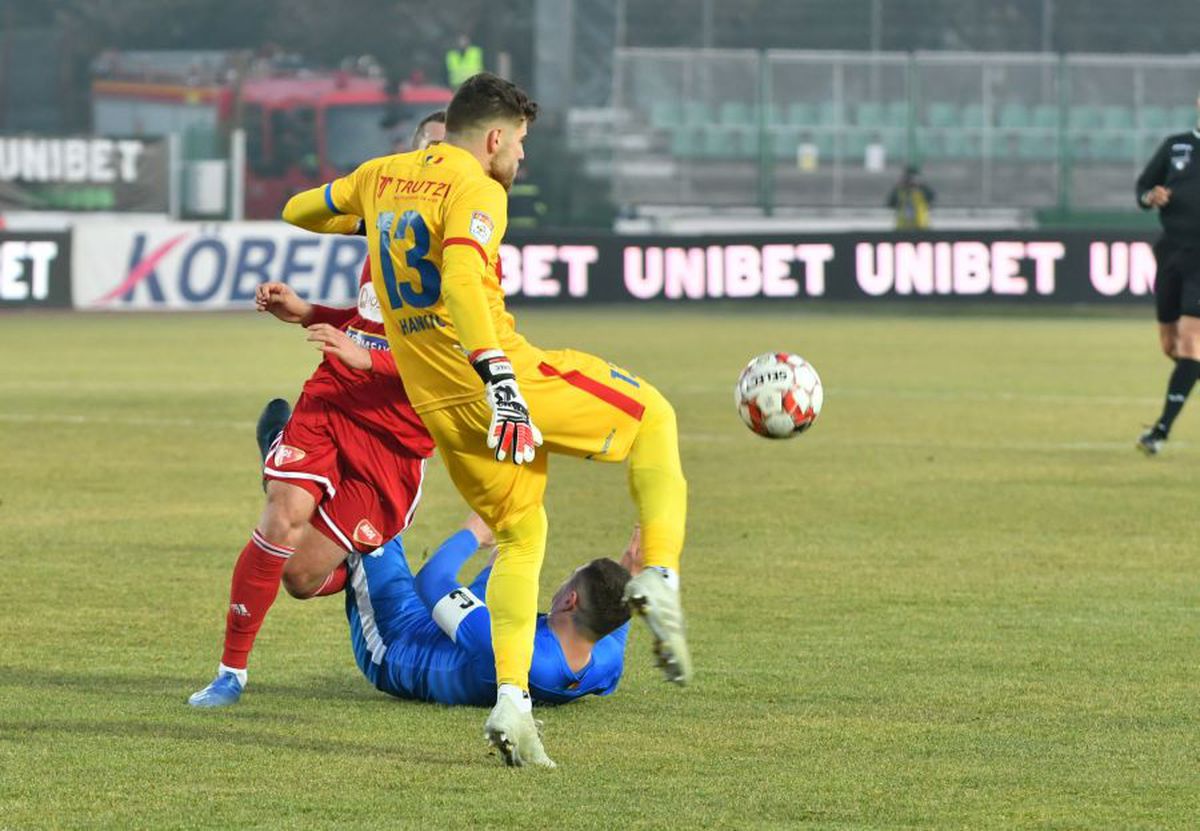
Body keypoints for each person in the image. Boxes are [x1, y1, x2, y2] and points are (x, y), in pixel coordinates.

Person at [280, 73, 689, 767]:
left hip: (440, 408)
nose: (522, 158)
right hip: (500, 381)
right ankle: (664, 581)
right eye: (521, 142)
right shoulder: (479, 189)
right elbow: (466, 282)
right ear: (494, 136)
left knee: (521, 535)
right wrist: (500, 378)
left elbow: (297, 209)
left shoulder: (383, 177)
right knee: (654, 415)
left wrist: (371, 219)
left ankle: (511, 700)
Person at [188, 122, 447, 708]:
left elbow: (454, 363)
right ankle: (231, 674)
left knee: (301, 579)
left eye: (443, 151)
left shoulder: (466, 251)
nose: (430, 162)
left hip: (395, 438)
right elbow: (366, 321)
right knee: (282, 517)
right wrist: (307, 312)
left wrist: (370, 362)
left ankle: (280, 464)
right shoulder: (386, 225)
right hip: (332, 400)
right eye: (423, 149)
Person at [345, 514, 638, 712]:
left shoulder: (516, 654)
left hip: (397, 639)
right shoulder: (605, 662)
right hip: (459, 634)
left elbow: (431, 580)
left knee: (368, 518)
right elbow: (620, 609)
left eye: (570, 577)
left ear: (569, 601)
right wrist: (631, 573)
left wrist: (474, 533)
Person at [1136, 98, 1200, 455]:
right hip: (1172, 252)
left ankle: (1160, 431)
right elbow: (1143, 189)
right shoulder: (1177, 145)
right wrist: (1151, 196)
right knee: (1171, 345)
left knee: (1192, 343)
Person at [887, 165, 935, 230]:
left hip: (921, 226)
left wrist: (921, 185)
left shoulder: (922, 189)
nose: (910, 181)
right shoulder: (899, 190)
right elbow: (891, 204)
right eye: (908, 178)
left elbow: (932, 198)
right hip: (902, 227)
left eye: (912, 178)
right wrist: (898, 186)